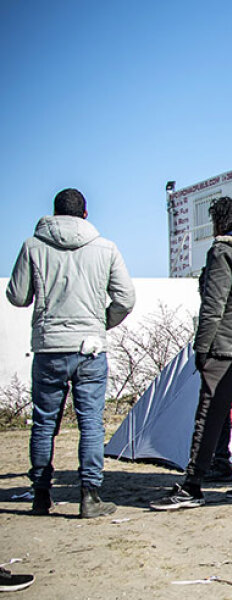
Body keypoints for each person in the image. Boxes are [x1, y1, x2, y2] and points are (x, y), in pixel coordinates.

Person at [7, 188, 135, 518]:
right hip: (90, 348)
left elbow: (18, 296)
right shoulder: (106, 248)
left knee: (44, 424)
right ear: (85, 215)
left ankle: (40, 495)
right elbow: (126, 299)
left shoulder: (32, 246)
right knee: (91, 424)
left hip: (49, 348)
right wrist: (100, 324)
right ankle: (90, 496)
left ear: (53, 213)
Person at [150, 197, 232, 510]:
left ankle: (192, 485)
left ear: (222, 223)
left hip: (223, 347)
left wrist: (201, 348)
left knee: (208, 414)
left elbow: (213, 306)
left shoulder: (221, 252)